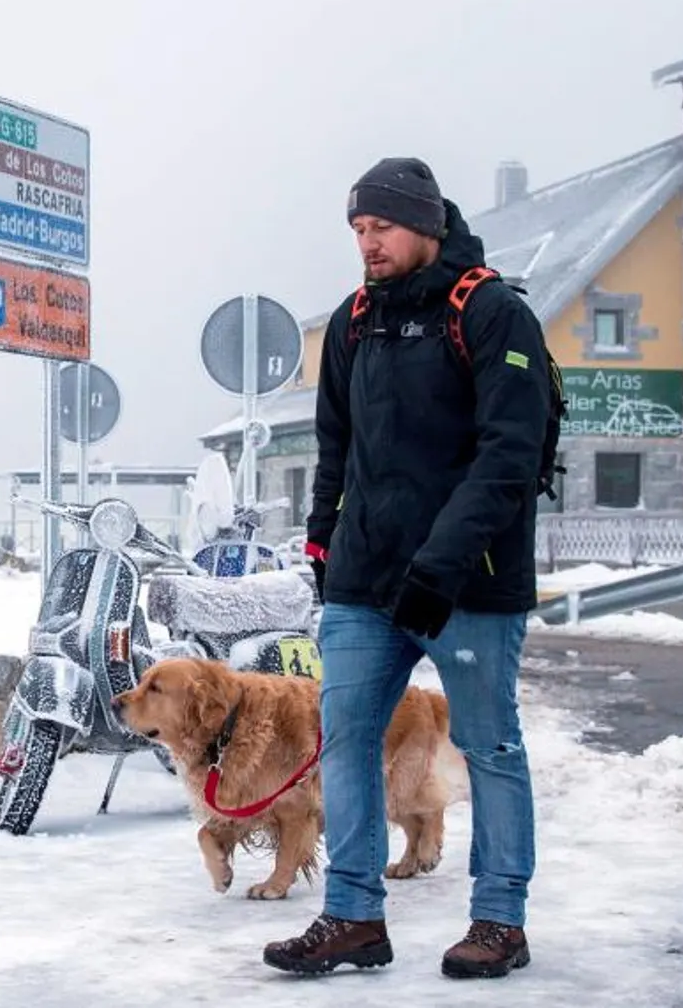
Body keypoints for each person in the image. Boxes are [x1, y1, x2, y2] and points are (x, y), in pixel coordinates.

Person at [262, 157, 550, 981]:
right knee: (346, 737)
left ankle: (500, 918)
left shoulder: (492, 314)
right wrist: (322, 542)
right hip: (365, 582)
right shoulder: (356, 321)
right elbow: (335, 447)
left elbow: (509, 457)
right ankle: (353, 915)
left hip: (471, 582)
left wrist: (440, 564)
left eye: (381, 226)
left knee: (487, 741)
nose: (368, 244)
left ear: (425, 223)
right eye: (357, 230)